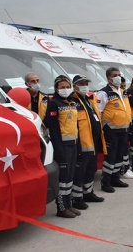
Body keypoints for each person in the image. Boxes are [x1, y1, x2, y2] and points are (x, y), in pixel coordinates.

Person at [45, 75, 79, 218]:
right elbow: (53, 129)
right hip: (62, 146)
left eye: (67, 87)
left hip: (73, 144)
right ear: (56, 89)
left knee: (70, 176)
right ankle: (61, 207)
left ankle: (69, 204)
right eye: (62, 87)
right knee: (63, 178)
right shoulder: (54, 104)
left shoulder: (72, 102)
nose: (65, 89)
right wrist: (59, 150)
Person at [71, 75, 107, 210]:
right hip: (82, 143)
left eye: (86, 83)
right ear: (74, 86)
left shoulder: (89, 99)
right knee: (79, 171)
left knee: (91, 169)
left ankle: (88, 192)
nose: (85, 86)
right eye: (81, 84)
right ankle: (77, 197)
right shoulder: (72, 101)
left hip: (94, 141)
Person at [96, 68, 132, 193]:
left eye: (119, 75)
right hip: (111, 130)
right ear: (108, 78)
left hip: (123, 128)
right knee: (110, 157)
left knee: (119, 155)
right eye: (115, 75)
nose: (118, 77)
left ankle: (115, 178)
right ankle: (106, 182)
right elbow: (98, 112)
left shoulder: (123, 91)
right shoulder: (103, 93)